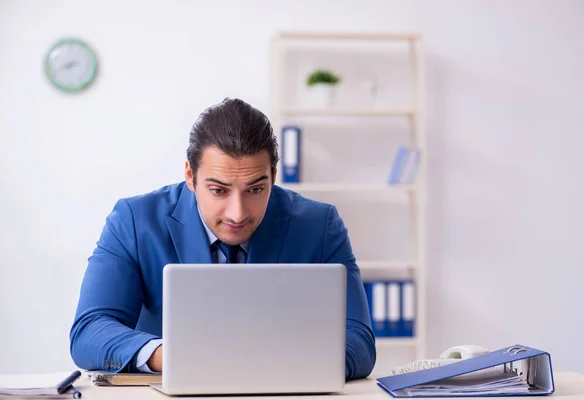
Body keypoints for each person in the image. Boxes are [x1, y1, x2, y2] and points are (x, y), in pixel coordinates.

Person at [69, 98, 376, 380]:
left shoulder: (320, 225)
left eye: (256, 189)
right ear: (191, 176)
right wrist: (172, 357)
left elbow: (359, 341)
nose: (237, 213)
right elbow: (90, 330)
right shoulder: (134, 220)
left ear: (273, 175)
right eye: (218, 190)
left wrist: (281, 362)